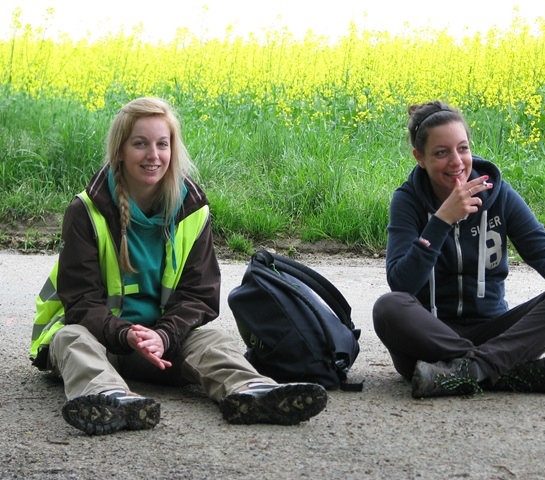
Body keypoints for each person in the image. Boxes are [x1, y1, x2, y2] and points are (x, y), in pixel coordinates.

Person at [29, 97, 327, 435]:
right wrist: (127, 334)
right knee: (70, 338)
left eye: (162, 144)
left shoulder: (191, 209)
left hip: (163, 344)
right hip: (103, 341)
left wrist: (162, 335)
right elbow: (81, 301)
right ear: (120, 151)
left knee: (213, 340)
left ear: (173, 150)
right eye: (140, 144)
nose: (153, 155)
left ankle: (253, 392)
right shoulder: (85, 210)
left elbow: (199, 295)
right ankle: (107, 398)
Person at [372, 100, 545, 398]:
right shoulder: (407, 201)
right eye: (441, 153)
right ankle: (503, 371)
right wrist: (442, 220)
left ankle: (468, 372)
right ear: (420, 157)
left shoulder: (499, 195)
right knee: (388, 307)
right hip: (429, 338)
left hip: (494, 331)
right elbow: (401, 282)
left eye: (463, 148)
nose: (457, 162)